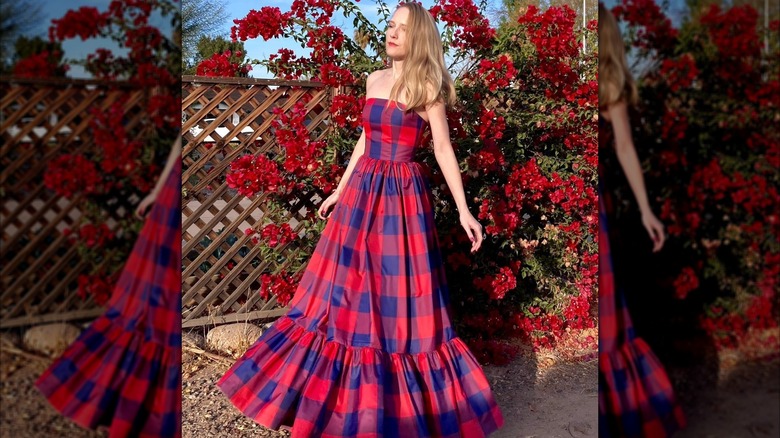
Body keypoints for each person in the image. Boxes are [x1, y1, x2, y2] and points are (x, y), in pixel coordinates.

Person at [217, 3, 505, 437]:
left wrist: (464, 210)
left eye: (402, 29)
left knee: (395, 296)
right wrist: (339, 188)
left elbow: (443, 150)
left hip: (402, 204)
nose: (392, 33)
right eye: (390, 25)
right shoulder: (374, 80)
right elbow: (365, 139)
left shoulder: (427, 85)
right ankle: (335, 407)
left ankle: (397, 412)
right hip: (361, 197)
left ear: (420, 38)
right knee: (345, 294)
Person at [36, 139, 182, 437]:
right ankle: (123, 408)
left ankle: (156, 415)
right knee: (147, 303)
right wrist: (158, 190)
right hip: (174, 195)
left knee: (167, 310)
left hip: (178, 194)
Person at [597, 3, 686, 437]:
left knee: (608, 325)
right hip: (582, 203)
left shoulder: (606, 79)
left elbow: (624, 148)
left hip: (596, 208)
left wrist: (647, 210)